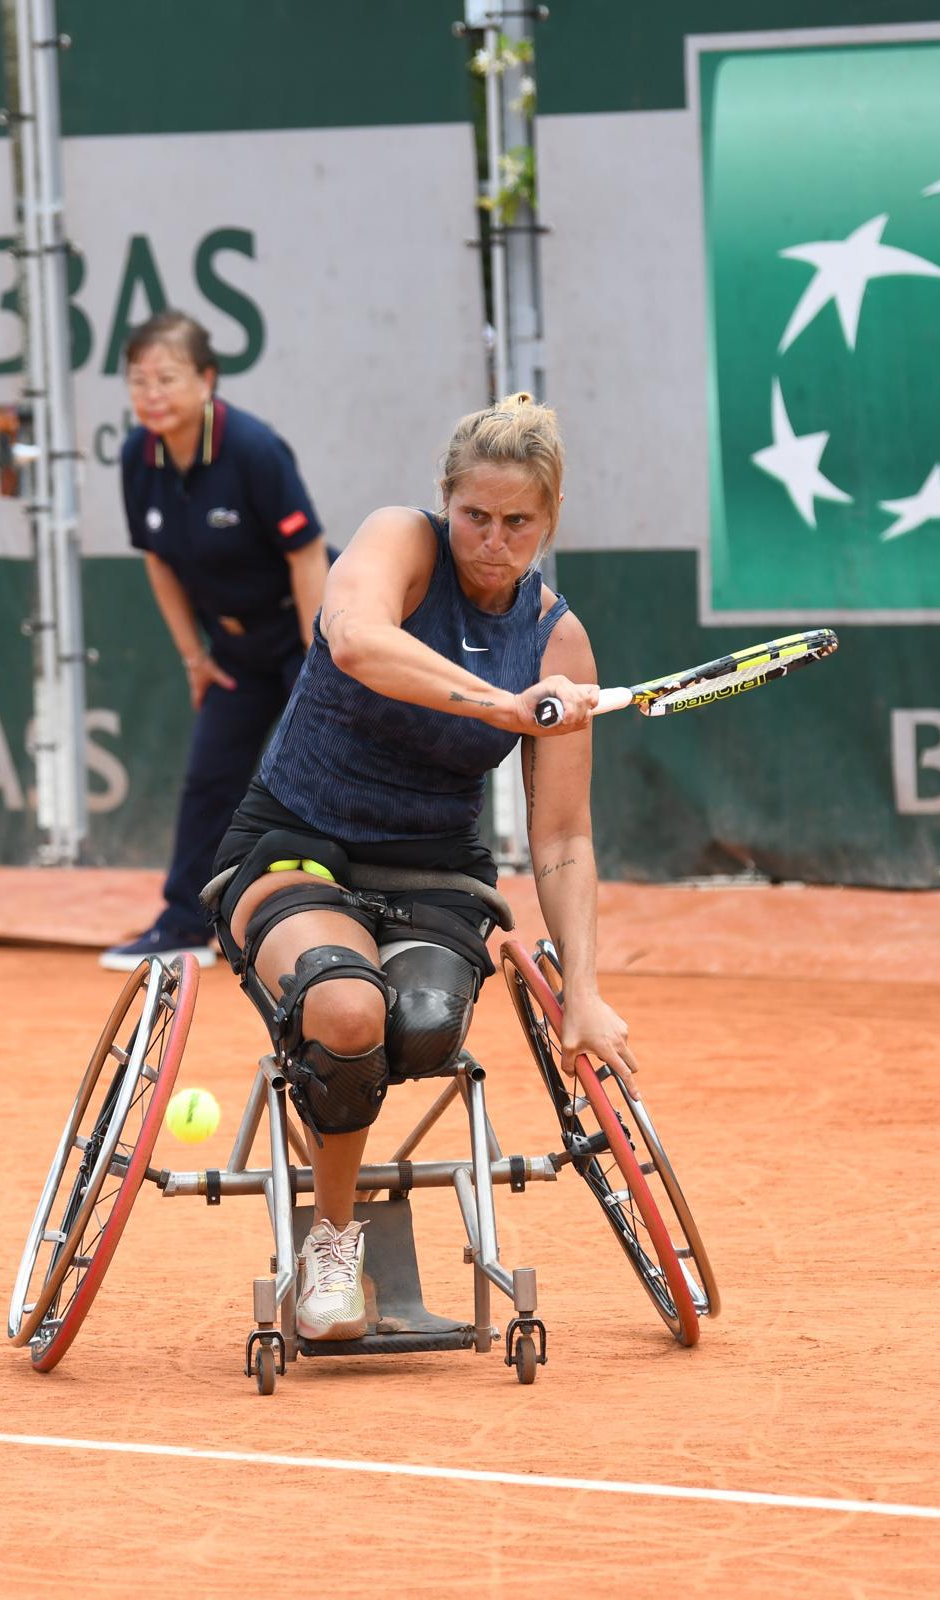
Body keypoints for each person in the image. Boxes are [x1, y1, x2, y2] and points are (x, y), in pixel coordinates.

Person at [208, 392, 639, 1340]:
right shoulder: (401, 543)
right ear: (446, 503)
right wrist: (500, 706)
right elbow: (355, 639)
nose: (491, 539)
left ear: (549, 521)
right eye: (474, 516)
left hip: (433, 874)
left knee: (428, 1029)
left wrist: (586, 992)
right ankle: (331, 1239)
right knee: (348, 1010)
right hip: (296, 844)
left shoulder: (556, 640)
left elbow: (563, 836)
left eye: (516, 522)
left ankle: (335, 1107)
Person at [101, 310, 328, 971]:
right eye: (138, 380)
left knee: (305, 776)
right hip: (233, 650)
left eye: (167, 378)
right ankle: (181, 926)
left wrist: (321, 664)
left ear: (207, 380)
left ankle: (330, 927)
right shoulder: (135, 457)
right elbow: (158, 561)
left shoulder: (254, 449)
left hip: (301, 634)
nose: (151, 393)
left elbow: (307, 552)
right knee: (209, 779)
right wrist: (194, 657)